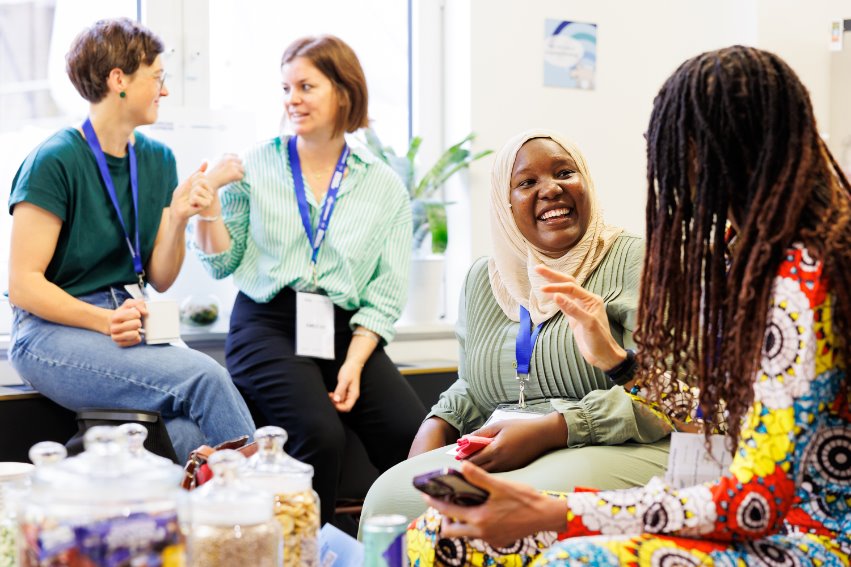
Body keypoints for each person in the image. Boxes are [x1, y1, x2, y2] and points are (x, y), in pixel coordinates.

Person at [406, 45, 851, 566]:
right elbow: (712, 422)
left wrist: (555, 513)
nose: (666, 175)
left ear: (716, 154)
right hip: (739, 512)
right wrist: (618, 362)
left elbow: (752, 504)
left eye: (671, 151)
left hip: (808, 539)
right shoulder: (743, 259)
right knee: (440, 533)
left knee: (571, 560)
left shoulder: (804, 276)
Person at [360, 129, 685, 530]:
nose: (550, 189)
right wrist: (437, 423)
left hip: (628, 442)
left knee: (508, 505)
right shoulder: (486, 277)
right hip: (510, 446)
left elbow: (670, 394)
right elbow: (474, 383)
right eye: (527, 183)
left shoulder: (640, 258)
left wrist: (552, 430)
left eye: (565, 173)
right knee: (391, 497)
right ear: (505, 205)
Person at [193, 35, 426, 526]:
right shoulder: (255, 165)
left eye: (305, 86)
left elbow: (386, 292)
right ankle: (307, 551)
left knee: (414, 433)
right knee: (319, 434)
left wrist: (357, 361)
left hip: (347, 330)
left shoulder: (381, 184)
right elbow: (220, 262)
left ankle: (413, 545)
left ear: (343, 91)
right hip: (268, 323)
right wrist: (207, 204)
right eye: (285, 88)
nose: (291, 99)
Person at [7, 18, 256, 462]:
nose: (163, 91)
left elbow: (159, 276)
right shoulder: (54, 159)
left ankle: (214, 526)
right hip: (49, 333)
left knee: (183, 434)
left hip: (127, 319)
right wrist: (103, 321)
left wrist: (179, 216)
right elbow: (25, 285)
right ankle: (267, 508)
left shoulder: (157, 159)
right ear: (118, 79)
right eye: (157, 78)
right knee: (205, 378)